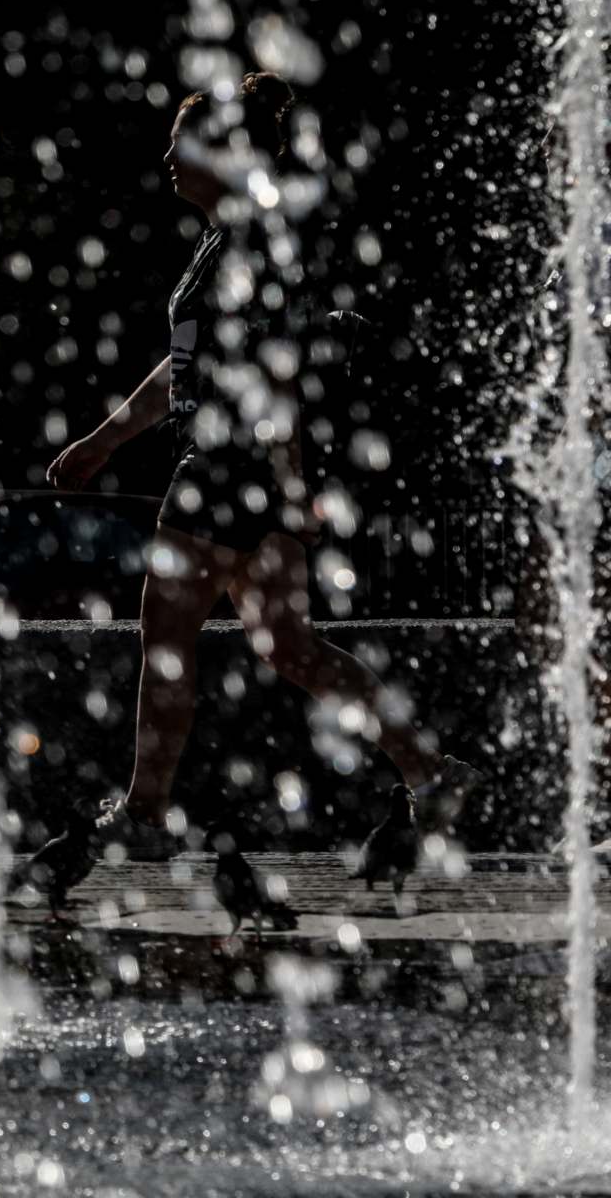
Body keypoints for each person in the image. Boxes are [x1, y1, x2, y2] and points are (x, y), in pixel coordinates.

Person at [47, 70, 479, 855]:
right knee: (288, 645)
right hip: (245, 469)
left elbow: (277, 373)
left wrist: (290, 481)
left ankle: (146, 815)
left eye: (180, 144)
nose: (167, 158)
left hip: (224, 465)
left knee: (168, 630)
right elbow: (184, 369)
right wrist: (105, 440)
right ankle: (428, 770)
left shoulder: (250, 243)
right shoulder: (224, 241)